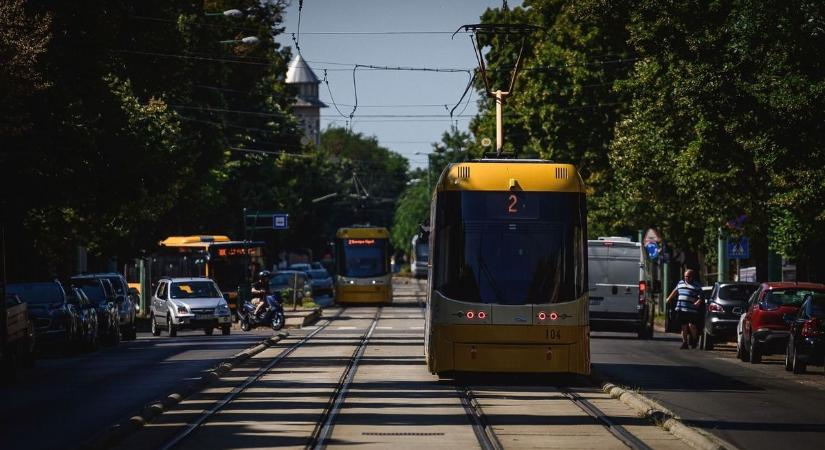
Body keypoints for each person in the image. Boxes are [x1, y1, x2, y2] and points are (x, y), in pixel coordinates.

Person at [666, 269, 704, 349]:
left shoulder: (696, 285)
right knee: (684, 326)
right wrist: (669, 298)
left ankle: (694, 340)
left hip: (691, 309)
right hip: (681, 308)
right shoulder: (680, 283)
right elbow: (675, 291)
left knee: (691, 325)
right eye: (685, 276)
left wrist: (698, 302)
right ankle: (684, 342)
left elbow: (701, 296)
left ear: (691, 277)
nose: (686, 278)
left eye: (688, 276)